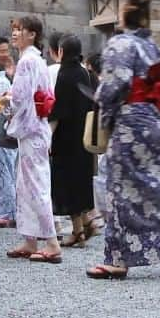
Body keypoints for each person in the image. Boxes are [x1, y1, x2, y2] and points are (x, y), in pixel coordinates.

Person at [88, 0, 160, 280]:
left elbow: (116, 84)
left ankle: (118, 258)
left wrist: (102, 104)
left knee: (120, 188)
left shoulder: (120, 44)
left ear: (124, 12)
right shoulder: (151, 47)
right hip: (154, 120)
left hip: (130, 123)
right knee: (156, 186)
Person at [5, 14, 61, 264]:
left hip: (30, 129)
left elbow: (19, 97)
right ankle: (30, 238)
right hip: (36, 127)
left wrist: (5, 102)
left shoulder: (27, 62)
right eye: (14, 29)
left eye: (20, 30)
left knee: (35, 184)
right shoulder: (37, 61)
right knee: (26, 184)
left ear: (32, 34)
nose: (15, 33)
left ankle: (51, 241)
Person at [49, 34, 95, 247]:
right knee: (82, 179)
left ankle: (77, 230)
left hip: (66, 137)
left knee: (67, 182)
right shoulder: (84, 73)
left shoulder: (64, 74)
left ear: (61, 51)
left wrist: (49, 135)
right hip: (83, 134)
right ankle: (87, 222)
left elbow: (59, 109)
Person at [0, 35, 17, 230]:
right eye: (2, 51)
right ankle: (9, 210)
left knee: (3, 169)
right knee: (7, 168)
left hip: (1, 128)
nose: (6, 54)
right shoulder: (1, 78)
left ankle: (6, 211)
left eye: (7, 50)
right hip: (7, 127)